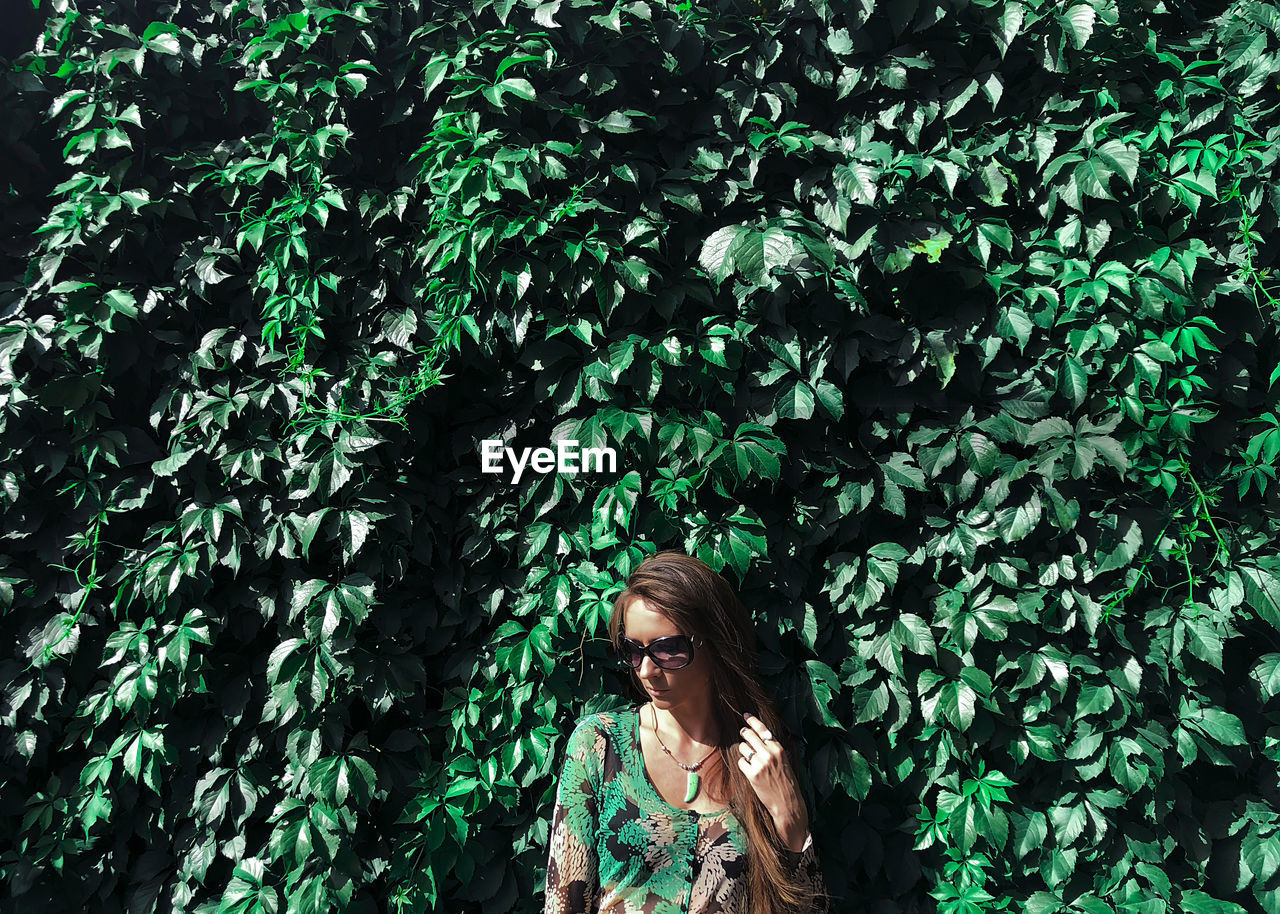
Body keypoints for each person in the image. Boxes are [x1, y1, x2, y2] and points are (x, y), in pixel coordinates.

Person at [544, 551, 829, 914]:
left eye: (667, 650)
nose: (646, 670)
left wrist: (790, 818)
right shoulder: (599, 744)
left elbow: (807, 907)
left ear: (715, 643)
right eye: (632, 650)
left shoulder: (760, 757)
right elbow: (563, 901)